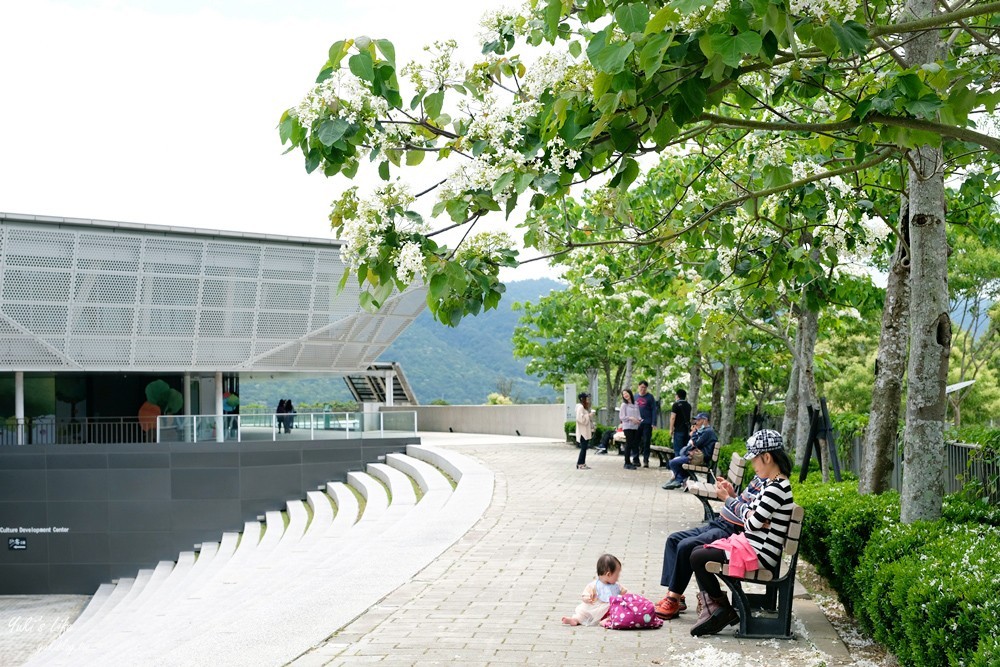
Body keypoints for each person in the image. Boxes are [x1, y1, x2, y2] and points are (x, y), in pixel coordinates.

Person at [688, 429, 794, 636]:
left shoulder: (776, 488)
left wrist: (730, 501)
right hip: (751, 546)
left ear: (767, 457)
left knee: (697, 555)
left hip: (759, 554)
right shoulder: (773, 484)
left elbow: (752, 523)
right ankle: (719, 609)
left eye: (754, 460)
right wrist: (750, 513)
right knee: (699, 551)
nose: (753, 465)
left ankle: (721, 610)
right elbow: (751, 515)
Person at [653, 473, 765, 619]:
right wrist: (732, 494)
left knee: (686, 546)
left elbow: (752, 517)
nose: (754, 462)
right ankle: (675, 595)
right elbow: (744, 505)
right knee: (673, 540)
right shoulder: (759, 477)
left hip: (731, 531)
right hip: (721, 522)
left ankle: (673, 598)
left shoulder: (770, 487)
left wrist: (727, 498)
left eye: (756, 458)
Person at [561, 553, 629, 626]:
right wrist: (586, 598)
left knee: (618, 610)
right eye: (617, 574)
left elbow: (624, 592)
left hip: (608, 610)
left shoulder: (616, 586)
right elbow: (585, 594)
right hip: (594, 610)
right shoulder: (593, 585)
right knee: (583, 614)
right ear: (608, 574)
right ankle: (574, 619)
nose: (618, 577)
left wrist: (625, 593)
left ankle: (606, 620)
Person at [662, 411, 717, 490]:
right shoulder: (705, 431)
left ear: (705, 420)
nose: (696, 422)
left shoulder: (708, 432)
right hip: (698, 456)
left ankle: (679, 480)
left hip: (700, 458)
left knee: (673, 463)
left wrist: (694, 433)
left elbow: (696, 443)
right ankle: (680, 479)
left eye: (698, 420)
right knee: (675, 461)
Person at [634, 381, 657, 468]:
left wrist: (653, 422)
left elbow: (654, 410)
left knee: (646, 441)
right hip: (637, 423)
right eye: (641, 387)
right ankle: (636, 459)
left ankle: (646, 460)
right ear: (638, 386)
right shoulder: (635, 396)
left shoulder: (650, 397)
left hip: (647, 422)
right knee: (636, 441)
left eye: (644, 387)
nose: (642, 389)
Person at [619, 389, 642, 470]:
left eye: (626, 393)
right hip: (627, 427)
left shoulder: (636, 404)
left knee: (633, 444)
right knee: (629, 444)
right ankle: (627, 462)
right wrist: (631, 418)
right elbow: (622, 417)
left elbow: (638, 415)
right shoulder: (624, 405)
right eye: (623, 394)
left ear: (630, 393)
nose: (625, 395)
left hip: (635, 427)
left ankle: (631, 461)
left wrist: (639, 420)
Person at [574, 392, 595, 470]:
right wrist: (589, 415)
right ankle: (580, 463)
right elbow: (580, 419)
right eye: (587, 398)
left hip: (584, 431)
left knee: (584, 448)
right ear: (583, 399)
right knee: (583, 448)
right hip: (583, 432)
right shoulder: (581, 407)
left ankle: (582, 463)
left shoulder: (581, 407)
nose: (588, 400)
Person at [669, 388, 692, 453]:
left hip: (678, 430)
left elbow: (673, 417)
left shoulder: (675, 405)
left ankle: (678, 463)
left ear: (677, 396)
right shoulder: (688, 405)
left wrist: (671, 429)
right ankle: (683, 463)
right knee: (684, 451)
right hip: (687, 431)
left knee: (678, 451)